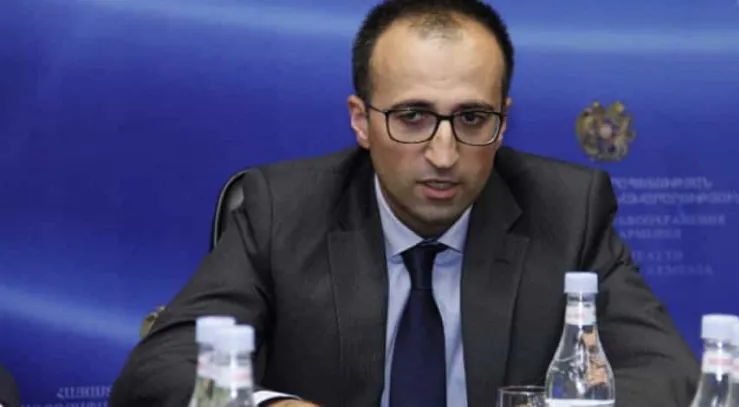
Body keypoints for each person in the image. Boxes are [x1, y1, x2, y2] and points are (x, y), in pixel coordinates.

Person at [109, 1, 700, 406]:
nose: (444, 154)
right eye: (412, 117)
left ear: (503, 120)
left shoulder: (567, 211)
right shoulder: (281, 210)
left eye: (472, 118)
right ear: (360, 121)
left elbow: (669, 374)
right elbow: (158, 371)